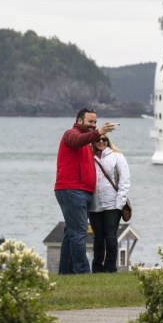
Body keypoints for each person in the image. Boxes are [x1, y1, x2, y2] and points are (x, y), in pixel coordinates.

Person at [55, 108, 116, 274]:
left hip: (80, 192)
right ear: (79, 121)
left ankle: (66, 273)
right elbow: (76, 140)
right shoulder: (70, 134)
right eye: (90, 122)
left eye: (95, 122)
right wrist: (99, 132)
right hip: (72, 190)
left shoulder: (87, 143)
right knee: (79, 233)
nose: (94, 125)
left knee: (71, 232)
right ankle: (82, 272)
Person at [89, 134, 131, 273]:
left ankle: (110, 269)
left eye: (104, 139)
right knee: (98, 237)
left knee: (111, 236)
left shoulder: (117, 156)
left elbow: (125, 180)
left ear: (108, 141)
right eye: (98, 139)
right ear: (93, 142)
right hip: (94, 204)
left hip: (113, 204)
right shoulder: (89, 157)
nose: (101, 141)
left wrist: (120, 202)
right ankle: (97, 268)